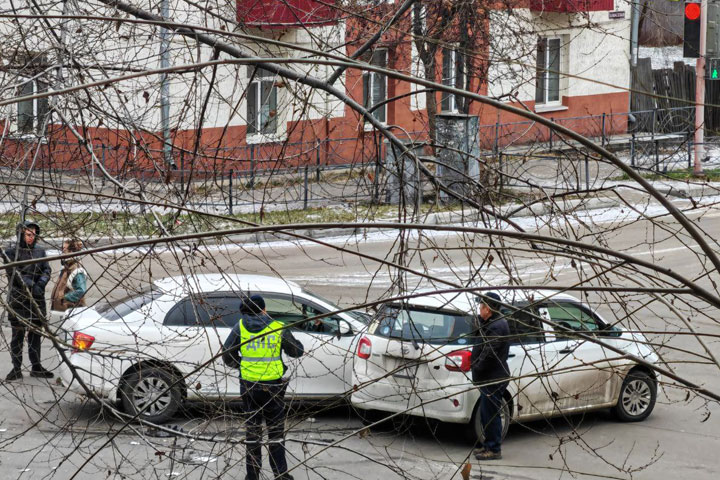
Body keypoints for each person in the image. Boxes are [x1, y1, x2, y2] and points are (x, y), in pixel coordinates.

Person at [222, 294, 304, 480]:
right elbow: (296, 351)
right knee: (275, 433)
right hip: (273, 388)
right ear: (263, 309)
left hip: (249, 386)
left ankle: (252, 476)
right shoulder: (277, 328)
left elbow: (227, 355)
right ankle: (280, 474)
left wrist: (242, 365)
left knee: (253, 433)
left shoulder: (240, 327)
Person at [2, 221, 53, 381]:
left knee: (35, 333)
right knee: (18, 335)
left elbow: (47, 269)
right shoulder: (11, 252)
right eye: (28, 234)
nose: (31, 238)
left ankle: (36, 366)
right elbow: (13, 273)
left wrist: (40, 284)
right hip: (18, 299)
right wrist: (30, 285)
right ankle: (16, 367)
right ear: (21, 234)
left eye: (34, 235)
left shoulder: (40, 251)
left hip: (37, 299)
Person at [470, 292, 510, 461]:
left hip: (494, 377)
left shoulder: (497, 327)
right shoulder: (490, 323)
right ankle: (488, 445)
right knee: (486, 414)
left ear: (489, 308)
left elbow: (489, 353)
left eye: (482, 306)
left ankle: (494, 449)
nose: (480, 309)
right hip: (489, 376)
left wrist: (477, 366)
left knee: (491, 415)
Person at [51, 239, 88, 312]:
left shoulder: (76, 270)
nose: (62, 251)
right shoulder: (67, 267)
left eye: (64, 248)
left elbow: (81, 291)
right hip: (63, 309)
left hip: (71, 311)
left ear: (71, 252)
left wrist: (64, 298)